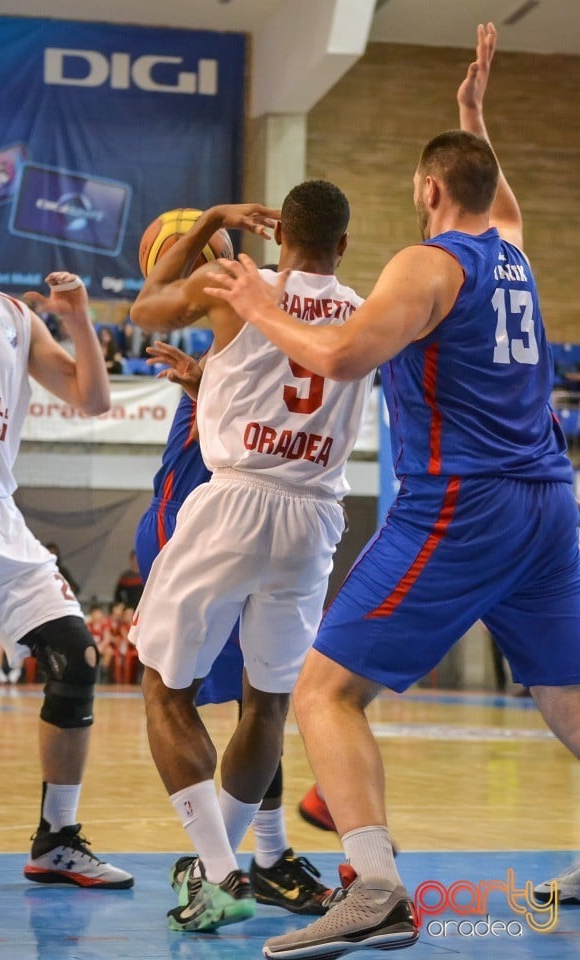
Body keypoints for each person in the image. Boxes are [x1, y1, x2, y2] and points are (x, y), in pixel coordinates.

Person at [205, 23, 580, 957]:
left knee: (326, 692)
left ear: (426, 190)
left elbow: (335, 356)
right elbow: (492, 192)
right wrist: (472, 113)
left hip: (466, 503)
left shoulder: (429, 262)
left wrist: (256, 302)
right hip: (550, 499)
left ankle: (375, 886)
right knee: (567, 690)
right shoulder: (516, 256)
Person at [128, 185, 372, 932]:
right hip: (315, 516)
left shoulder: (239, 283)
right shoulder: (366, 306)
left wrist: (207, 221)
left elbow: (144, 309)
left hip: (234, 501)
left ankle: (222, 870)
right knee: (266, 702)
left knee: (164, 689)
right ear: (343, 244)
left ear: (277, 236)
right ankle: (222, 871)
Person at [0, 164, 133, 905]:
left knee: (78, 657)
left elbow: (92, 398)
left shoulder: (19, 319)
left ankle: (57, 840)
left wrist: (79, 316)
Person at [134, 353, 331, 914]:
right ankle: (240, 863)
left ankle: (247, 864)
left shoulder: (271, 328)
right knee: (239, 699)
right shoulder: (241, 338)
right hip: (198, 520)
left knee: (262, 700)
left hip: (257, 516)